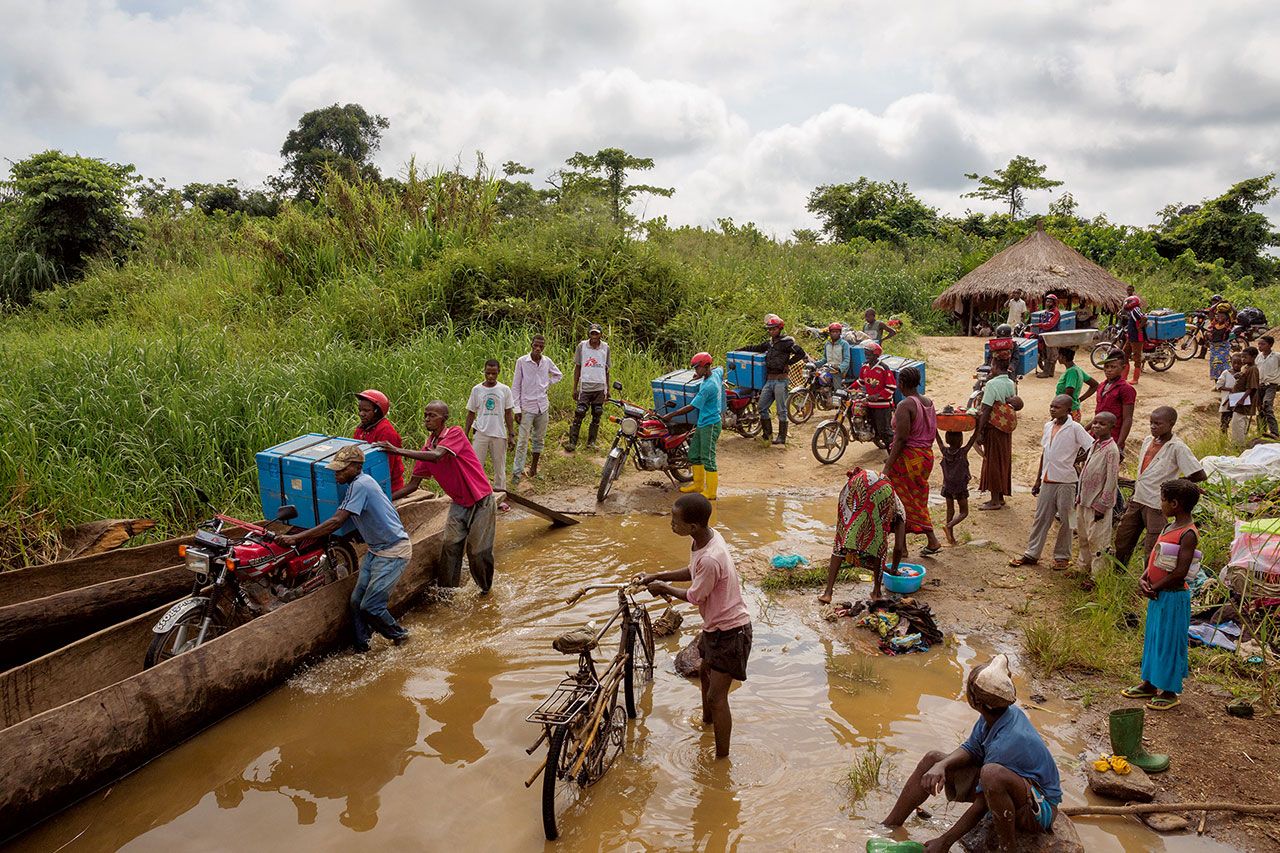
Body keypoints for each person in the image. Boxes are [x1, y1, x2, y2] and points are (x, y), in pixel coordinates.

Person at [883, 654, 1062, 851]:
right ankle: (889, 826)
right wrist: (941, 765)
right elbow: (972, 748)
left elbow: (982, 803)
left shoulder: (1007, 742)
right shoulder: (997, 715)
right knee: (932, 759)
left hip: (1038, 810)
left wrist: (945, 841)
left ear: (976, 701)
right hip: (1013, 787)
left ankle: (1007, 848)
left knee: (991, 774)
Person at [638, 493, 751, 758]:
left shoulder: (712, 558)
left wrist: (663, 587)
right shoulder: (706, 539)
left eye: (675, 521)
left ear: (693, 527)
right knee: (704, 673)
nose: (671, 524)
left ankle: (721, 759)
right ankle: (707, 724)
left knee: (717, 696)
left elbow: (694, 596)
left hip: (731, 632)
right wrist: (658, 575)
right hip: (716, 627)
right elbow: (693, 571)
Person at [277, 445, 410, 652]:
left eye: (341, 470)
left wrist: (296, 538)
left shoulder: (361, 485)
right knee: (356, 601)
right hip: (376, 550)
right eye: (336, 470)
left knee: (371, 606)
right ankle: (362, 646)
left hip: (393, 552)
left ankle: (402, 637)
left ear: (357, 467)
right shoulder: (355, 485)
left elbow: (337, 521)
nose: (336, 474)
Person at [380, 402, 497, 593]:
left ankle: (485, 590)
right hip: (459, 503)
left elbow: (437, 455)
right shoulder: (426, 449)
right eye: (425, 415)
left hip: (480, 500)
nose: (427, 418)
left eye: (432, 415)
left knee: (477, 551)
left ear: (444, 419)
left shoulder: (455, 433)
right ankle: (447, 592)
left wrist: (397, 450)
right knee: (450, 546)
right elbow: (412, 485)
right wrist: (384, 499)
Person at [1120, 479, 1200, 712]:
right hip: (1158, 595)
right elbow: (1156, 557)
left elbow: (1180, 572)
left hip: (1173, 597)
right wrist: (1145, 578)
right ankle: (1149, 683)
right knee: (1154, 640)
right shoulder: (1169, 527)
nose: (1160, 503)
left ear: (1174, 504)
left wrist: (1156, 586)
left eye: (1163, 500)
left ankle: (1169, 691)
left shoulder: (1188, 534)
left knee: (1169, 643)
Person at [1112, 407, 1207, 569]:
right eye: (1151, 423)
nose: (1153, 426)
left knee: (1152, 546)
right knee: (1123, 538)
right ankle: (1118, 572)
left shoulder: (1177, 447)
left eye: (1158, 423)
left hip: (1157, 504)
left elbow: (1199, 474)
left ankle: (1149, 579)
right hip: (1138, 498)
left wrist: (1174, 485)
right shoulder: (1148, 440)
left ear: (1171, 424)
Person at [1010, 395, 1093, 570]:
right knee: (1041, 518)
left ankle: (1062, 556)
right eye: (1051, 406)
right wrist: (1037, 480)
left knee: (1067, 519)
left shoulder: (1075, 428)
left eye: (1057, 407)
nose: (1053, 409)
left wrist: (1075, 460)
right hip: (1047, 480)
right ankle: (1032, 553)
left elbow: (1091, 447)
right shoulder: (1048, 426)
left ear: (1068, 410)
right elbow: (1044, 453)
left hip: (1066, 481)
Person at [819, 467, 907, 603]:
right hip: (877, 488)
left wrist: (888, 569)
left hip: (856, 484)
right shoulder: (900, 513)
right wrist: (894, 570)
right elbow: (899, 548)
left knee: (842, 536)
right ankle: (876, 593)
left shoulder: (895, 506)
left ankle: (828, 593)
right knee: (879, 544)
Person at [883, 366, 943, 556]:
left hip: (909, 459)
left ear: (901, 384)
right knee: (915, 498)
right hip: (925, 457)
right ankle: (904, 547)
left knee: (902, 501)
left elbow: (901, 439)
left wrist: (887, 467)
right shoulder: (928, 402)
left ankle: (930, 539)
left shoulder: (905, 405)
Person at [662, 352, 724, 500]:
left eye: (698, 368)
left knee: (708, 458)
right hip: (703, 423)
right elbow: (721, 368)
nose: (695, 371)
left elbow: (691, 407)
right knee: (694, 455)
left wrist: (671, 415)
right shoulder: (714, 373)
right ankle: (698, 485)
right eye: (695, 368)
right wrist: (700, 376)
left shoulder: (709, 386)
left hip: (711, 424)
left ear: (706, 366)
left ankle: (711, 492)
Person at [741, 314, 807, 446]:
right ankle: (767, 435)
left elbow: (800, 353)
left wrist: (788, 362)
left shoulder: (787, 343)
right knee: (761, 407)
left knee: (781, 410)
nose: (771, 331)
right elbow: (757, 348)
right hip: (769, 380)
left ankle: (782, 437)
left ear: (779, 329)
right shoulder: (770, 343)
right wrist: (742, 349)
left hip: (781, 380)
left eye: (773, 329)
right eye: (769, 329)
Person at [1075, 412, 1121, 590]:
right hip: (1084, 500)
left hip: (1098, 505)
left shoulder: (1111, 450)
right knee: (1084, 537)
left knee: (1098, 542)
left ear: (1111, 427)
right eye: (1095, 423)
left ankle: (1097, 577)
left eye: (1102, 424)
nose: (1096, 426)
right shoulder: (1095, 444)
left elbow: (1111, 479)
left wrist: (1103, 504)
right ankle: (1083, 568)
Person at [510, 334, 562, 485]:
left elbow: (559, 375)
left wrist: (547, 383)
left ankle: (533, 469)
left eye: (541, 346)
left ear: (544, 347)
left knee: (539, 439)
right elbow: (516, 386)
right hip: (527, 407)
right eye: (535, 345)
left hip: (542, 407)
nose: (538, 348)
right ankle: (516, 473)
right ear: (531, 345)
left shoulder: (547, 362)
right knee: (522, 442)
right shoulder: (522, 362)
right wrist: (517, 409)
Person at [465, 359, 515, 506]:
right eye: (488, 373)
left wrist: (511, 434)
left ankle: (501, 499)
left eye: (494, 373)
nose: (491, 376)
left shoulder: (504, 390)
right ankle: (477, 497)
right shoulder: (477, 390)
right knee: (476, 466)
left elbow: (508, 413)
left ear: (498, 372)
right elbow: (470, 413)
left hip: (499, 433)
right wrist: (465, 434)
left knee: (499, 467)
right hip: (480, 433)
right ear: (484, 372)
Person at [974, 352, 1018, 510]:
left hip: (993, 428)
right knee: (1002, 460)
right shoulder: (1010, 383)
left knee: (992, 461)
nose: (990, 368)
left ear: (996, 367)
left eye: (992, 365)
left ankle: (994, 501)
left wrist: (979, 431)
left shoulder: (992, 384)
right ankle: (999, 496)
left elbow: (986, 409)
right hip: (1005, 428)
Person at [564, 323, 611, 452]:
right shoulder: (582, 346)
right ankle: (572, 442)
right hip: (585, 386)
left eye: (597, 333)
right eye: (592, 333)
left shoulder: (605, 347)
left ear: (601, 334)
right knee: (579, 412)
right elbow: (578, 367)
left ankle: (591, 442)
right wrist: (575, 388)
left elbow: (607, 370)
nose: (594, 336)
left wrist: (608, 390)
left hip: (600, 386)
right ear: (589, 334)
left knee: (597, 413)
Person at [1081, 352, 1135, 457]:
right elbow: (1099, 414)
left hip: (1112, 436)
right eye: (1106, 367)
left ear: (1123, 367)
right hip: (1096, 435)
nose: (1108, 370)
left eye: (1113, 367)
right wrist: (1084, 430)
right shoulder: (1101, 386)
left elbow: (1127, 418)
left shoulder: (1126, 389)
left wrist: (1119, 444)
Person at [353, 389, 405, 493]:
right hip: (365, 480)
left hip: (387, 486)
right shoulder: (362, 428)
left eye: (366, 411)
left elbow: (385, 467)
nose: (361, 414)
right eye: (360, 410)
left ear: (377, 411)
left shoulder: (386, 432)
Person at [936, 429, 976, 546]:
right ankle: (949, 526)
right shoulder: (963, 452)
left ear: (947, 440)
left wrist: (934, 425)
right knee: (964, 512)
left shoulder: (944, 451)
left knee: (950, 511)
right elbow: (973, 437)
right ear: (961, 441)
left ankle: (951, 538)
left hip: (947, 486)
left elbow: (937, 438)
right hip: (960, 487)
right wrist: (978, 424)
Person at [856, 341, 897, 448]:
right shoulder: (865, 367)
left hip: (882, 405)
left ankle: (894, 454)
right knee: (873, 426)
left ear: (875, 354)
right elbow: (860, 381)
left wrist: (877, 396)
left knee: (885, 431)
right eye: (865, 353)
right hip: (870, 404)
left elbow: (891, 387)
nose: (866, 356)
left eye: (868, 354)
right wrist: (848, 388)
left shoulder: (883, 368)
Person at [1054, 348, 1097, 420]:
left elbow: (1068, 394)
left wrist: (1060, 413)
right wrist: (1078, 400)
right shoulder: (1077, 369)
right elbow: (1094, 384)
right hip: (1072, 410)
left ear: (1063, 357)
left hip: (1067, 412)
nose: (1057, 357)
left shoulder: (1071, 372)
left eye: (1059, 355)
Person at [1230, 346, 1260, 446]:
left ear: (1254, 357)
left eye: (1245, 357)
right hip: (1238, 397)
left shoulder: (1253, 369)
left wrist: (1242, 399)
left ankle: (1239, 445)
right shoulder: (1246, 368)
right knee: (1236, 422)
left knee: (1239, 422)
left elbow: (1251, 387)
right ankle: (1237, 443)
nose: (1243, 359)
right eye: (1242, 357)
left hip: (1244, 401)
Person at [1117, 295, 1147, 385]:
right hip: (1131, 337)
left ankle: (1135, 379)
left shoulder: (1135, 310)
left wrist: (1139, 327)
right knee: (1124, 354)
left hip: (1137, 338)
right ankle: (1124, 377)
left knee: (1136, 358)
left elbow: (1144, 318)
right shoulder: (1132, 311)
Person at [1031, 294, 1062, 378]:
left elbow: (1050, 324)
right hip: (1045, 336)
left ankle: (1046, 372)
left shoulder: (1056, 312)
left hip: (1052, 336)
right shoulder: (1046, 312)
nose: (1047, 303)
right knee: (1045, 353)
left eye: (1050, 302)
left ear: (1054, 303)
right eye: (1047, 301)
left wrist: (1038, 325)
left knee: (1051, 353)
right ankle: (1050, 372)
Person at [1255, 335, 1279, 437]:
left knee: (1267, 404)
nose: (1260, 346)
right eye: (1259, 344)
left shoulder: (1277, 356)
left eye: (1263, 344)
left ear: (1270, 345)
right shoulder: (1258, 357)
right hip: (1259, 385)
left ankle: (1274, 432)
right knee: (1260, 408)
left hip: (1271, 385)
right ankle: (1261, 430)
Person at [1207, 302, 1234, 380]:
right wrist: (1219, 302)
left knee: (1224, 366)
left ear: (1226, 317)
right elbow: (1211, 310)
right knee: (1215, 366)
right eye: (1218, 315)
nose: (1219, 317)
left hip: (1223, 347)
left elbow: (1234, 312)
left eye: (1222, 316)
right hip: (1213, 347)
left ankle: (1224, 383)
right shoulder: (1214, 322)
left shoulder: (1228, 324)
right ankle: (1218, 384)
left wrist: (1229, 304)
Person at [1216, 353, 1242, 433]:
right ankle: (1223, 439)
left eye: (1239, 363)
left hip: (1238, 402)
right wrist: (1230, 390)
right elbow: (1219, 386)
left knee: (1238, 422)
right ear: (1231, 362)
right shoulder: (1226, 373)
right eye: (1235, 363)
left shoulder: (1243, 374)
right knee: (1224, 422)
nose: (1237, 365)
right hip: (1227, 402)